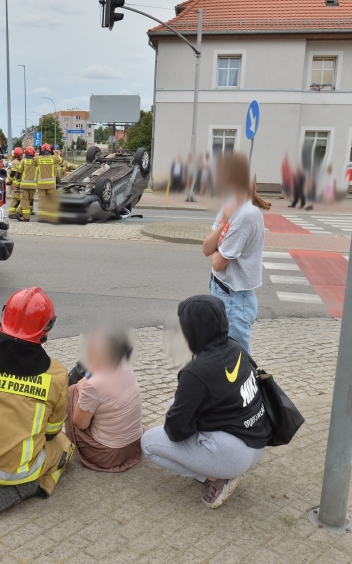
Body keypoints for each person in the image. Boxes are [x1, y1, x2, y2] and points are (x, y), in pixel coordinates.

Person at [0, 287, 74, 515]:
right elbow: (52, 431)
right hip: (20, 469)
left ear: (3, 318)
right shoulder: (57, 375)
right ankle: (36, 485)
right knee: (65, 446)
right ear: (46, 328)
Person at [141, 295, 270, 509]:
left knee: (149, 443)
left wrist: (192, 424)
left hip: (234, 455)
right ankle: (219, 468)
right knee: (175, 405)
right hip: (257, 443)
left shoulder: (196, 372)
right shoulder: (236, 347)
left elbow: (176, 431)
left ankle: (216, 477)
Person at [202, 153, 266, 355]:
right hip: (221, 289)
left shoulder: (246, 214)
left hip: (235, 298)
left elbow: (218, 262)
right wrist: (223, 223)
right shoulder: (230, 206)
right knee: (222, 356)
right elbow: (206, 248)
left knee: (236, 361)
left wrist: (216, 251)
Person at [64, 325, 144, 472]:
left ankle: (69, 444)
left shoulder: (94, 384)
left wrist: (81, 388)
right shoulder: (126, 365)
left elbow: (80, 424)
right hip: (134, 445)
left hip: (109, 455)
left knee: (71, 391)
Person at [36, 143, 61, 224]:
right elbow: (60, 160)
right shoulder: (54, 158)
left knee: (42, 201)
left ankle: (43, 217)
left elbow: (33, 162)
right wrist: (54, 153)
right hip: (51, 184)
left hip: (41, 184)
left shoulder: (37, 158)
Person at [17, 147, 38, 221]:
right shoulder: (36, 161)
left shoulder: (23, 161)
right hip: (33, 186)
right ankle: (19, 212)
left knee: (24, 200)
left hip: (24, 185)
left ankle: (26, 217)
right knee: (28, 200)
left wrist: (17, 180)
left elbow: (19, 172)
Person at [7, 147, 24, 220]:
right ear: (18, 155)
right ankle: (11, 214)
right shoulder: (16, 163)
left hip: (17, 184)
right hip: (16, 184)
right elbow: (12, 174)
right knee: (15, 199)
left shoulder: (15, 162)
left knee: (18, 199)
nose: (22, 156)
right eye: (21, 154)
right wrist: (10, 182)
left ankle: (15, 212)